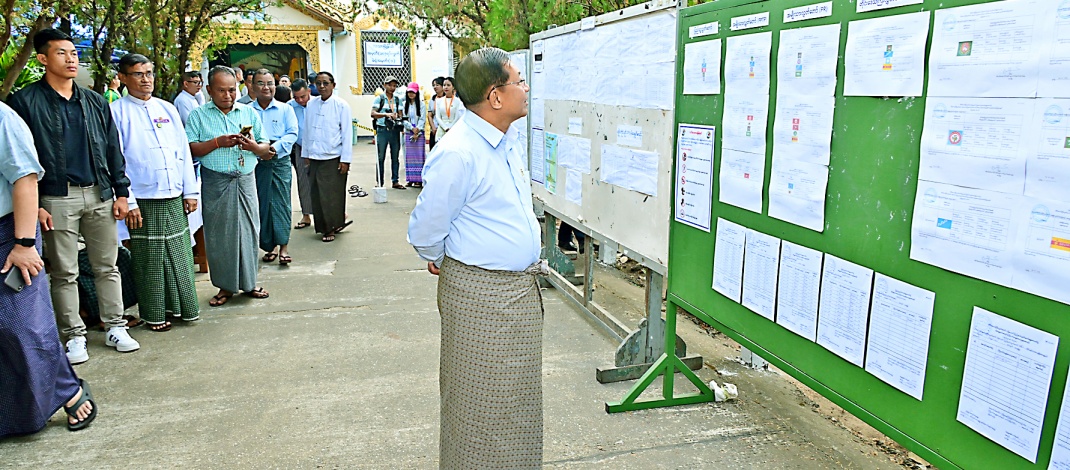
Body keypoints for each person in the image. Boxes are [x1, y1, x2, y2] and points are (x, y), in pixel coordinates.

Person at [407, 47, 542, 468]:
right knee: (478, 408)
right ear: (495, 97)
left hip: (517, 295)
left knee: (515, 406)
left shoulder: (507, 140)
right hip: (481, 299)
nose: (526, 88)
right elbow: (425, 229)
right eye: (518, 81)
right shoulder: (458, 152)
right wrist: (439, 255)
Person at [8, 28, 140, 363]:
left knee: (107, 266)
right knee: (65, 271)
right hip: (56, 197)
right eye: (62, 53)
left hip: (99, 194)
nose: (71, 59)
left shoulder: (94, 101)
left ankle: (115, 326)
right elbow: (22, 159)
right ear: (42, 59)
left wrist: (121, 192)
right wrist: (36, 205)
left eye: (74, 53)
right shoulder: (25, 102)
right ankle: (74, 335)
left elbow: (113, 148)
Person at [0, 99, 98, 437]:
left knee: (21, 325)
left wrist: (24, 243)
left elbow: (25, 178)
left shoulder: (3, 117)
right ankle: (14, 414)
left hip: (9, 234)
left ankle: (67, 390)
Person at [111, 53, 200, 331]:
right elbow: (116, 159)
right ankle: (154, 312)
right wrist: (129, 199)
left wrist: (190, 191)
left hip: (173, 194)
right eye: (138, 74)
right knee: (149, 258)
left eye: (149, 73)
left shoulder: (166, 108)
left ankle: (183, 307)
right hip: (142, 198)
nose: (145, 79)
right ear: (123, 78)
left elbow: (183, 151)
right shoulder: (116, 112)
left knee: (179, 253)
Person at [185, 65, 273, 307]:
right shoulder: (199, 115)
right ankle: (225, 286)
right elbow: (190, 148)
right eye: (221, 90)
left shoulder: (248, 112)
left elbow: (266, 149)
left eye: (232, 90)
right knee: (219, 235)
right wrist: (217, 142)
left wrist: (253, 147)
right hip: (216, 181)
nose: (228, 95)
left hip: (245, 179)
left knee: (249, 230)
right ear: (210, 90)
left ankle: (250, 282)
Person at [249, 69, 299, 265]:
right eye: (261, 83)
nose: (266, 87)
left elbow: (292, 133)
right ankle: (268, 245)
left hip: (279, 159)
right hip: (256, 161)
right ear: (253, 87)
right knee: (262, 202)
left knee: (281, 203)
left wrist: (273, 148)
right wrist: (259, 151)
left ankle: (283, 246)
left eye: (270, 83)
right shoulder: (247, 110)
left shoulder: (285, 109)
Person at [304, 71, 352, 243]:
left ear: (333, 84)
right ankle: (323, 227)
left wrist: (345, 160)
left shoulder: (341, 105)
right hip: (315, 156)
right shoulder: (311, 104)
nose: (322, 87)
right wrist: (306, 155)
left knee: (331, 195)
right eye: (318, 83)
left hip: (334, 156)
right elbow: (307, 129)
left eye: (325, 83)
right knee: (317, 194)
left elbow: (347, 133)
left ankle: (332, 227)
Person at [371, 76, 404, 189]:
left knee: (395, 157)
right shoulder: (379, 99)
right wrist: (385, 115)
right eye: (390, 85)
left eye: (394, 85)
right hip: (382, 129)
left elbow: (400, 114)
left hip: (394, 130)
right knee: (380, 157)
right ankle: (380, 181)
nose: (392, 87)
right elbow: (373, 113)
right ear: (385, 85)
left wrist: (397, 116)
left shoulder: (398, 99)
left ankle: (395, 181)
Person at [289, 79, 313, 230]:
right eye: (296, 97)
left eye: (303, 96)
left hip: (319, 148)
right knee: (303, 181)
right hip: (300, 148)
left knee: (323, 183)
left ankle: (331, 215)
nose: (300, 100)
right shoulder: (289, 107)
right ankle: (306, 215)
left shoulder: (318, 104)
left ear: (309, 91)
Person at [402, 82, 426, 188]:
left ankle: (419, 179)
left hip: (419, 134)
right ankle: (410, 178)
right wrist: (411, 128)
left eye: (413, 92)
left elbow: (422, 119)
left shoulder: (421, 105)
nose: (411, 94)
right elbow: (404, 119)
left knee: (419, 157)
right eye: (409, 92)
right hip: (409, 133)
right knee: (409, 157)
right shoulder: (404, 105)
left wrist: (418, 130)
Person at [427, 77, 445, 150]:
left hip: (445, 128)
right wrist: (433, 127)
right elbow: (430, 115)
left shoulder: (448, 99)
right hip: (435, 128)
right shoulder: (433, 99)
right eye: (433, 85)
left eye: (437, 85)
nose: (435, 87)